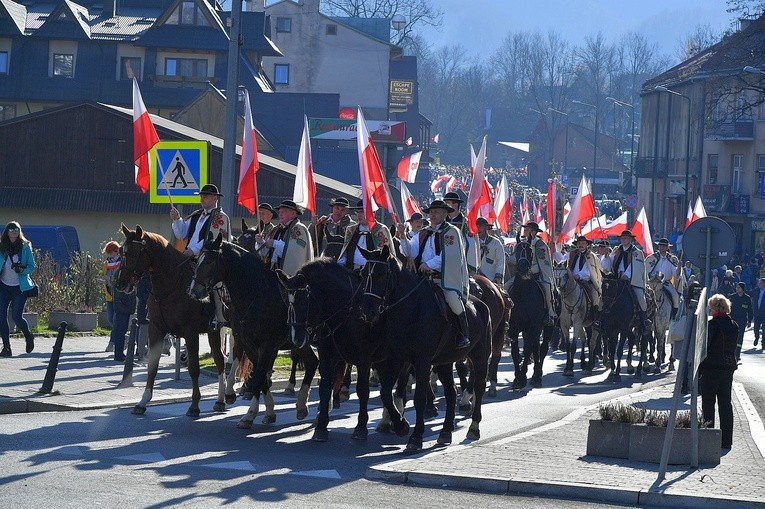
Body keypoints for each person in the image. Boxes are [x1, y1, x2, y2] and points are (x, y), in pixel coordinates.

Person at [407, 200, 470, 348]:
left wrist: (428, 265)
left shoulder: (451, 232)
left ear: (444, 213)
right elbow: (411, 251)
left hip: (442, 279)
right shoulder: (423, 232)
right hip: (423, 279)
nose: (432, 215)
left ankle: (463, 333)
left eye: (436, 212)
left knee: (452, 299)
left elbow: (448, 255)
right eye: (431, 212)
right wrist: (400, 239)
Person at [170, 184, 231, 328]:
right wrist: (176, 219)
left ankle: (219, 317)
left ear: (215, 198)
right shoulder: (196, 215)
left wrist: (192, 250)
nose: (202, 199)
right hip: (191, 258)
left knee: (216, 285)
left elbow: (212, 241)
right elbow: (181, 233)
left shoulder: (220, 217)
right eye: (201, 196)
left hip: (211, 260)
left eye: (206, 196)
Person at [700, 294, 739, 450]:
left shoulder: (712, 325)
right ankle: (726, 441)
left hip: (711, 368)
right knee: (725, 404)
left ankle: (709, 440)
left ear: (714, 308)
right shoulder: (734, 325)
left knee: (708, 405)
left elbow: (705, 349)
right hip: (728, 368)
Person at [0, 221, 36, 357]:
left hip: (19, 287)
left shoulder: (25, 246)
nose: (14, 231)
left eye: (17, 229)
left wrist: (21, 270)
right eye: (11, 229)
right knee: (1, 316)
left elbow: (32, 266)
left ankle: (28, 335)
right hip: (3, 286)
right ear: (7, 232)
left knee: (16, 316)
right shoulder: (2, 247)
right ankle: (6, 348)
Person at [256, 199, 314, 276]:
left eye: (284, 211)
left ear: (293, 213)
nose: (280, 214)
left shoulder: (298, 228)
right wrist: (261, 243)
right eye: (279, 212)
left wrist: (275, 243)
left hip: (289, 277)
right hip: (273, 274)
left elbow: (296, 251)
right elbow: (265, 253)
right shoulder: (276, 229)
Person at [610, 229, 651, 328]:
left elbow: (636, 266)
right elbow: (611, 262)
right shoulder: (617, 250)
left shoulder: (637, 252)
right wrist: (607, 257)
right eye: (622, 238)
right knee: (605, 297)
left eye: (625, 238)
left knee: (641, 298)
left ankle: (644, 319)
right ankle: (601, 319)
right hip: (617, 279)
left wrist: (627, 275)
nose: (623, 240)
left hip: (631, 280)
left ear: (630, 240)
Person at [338, 200, 393, 270]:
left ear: (373, 213)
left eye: (362, 212)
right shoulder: (351, 229)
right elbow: (345, 252)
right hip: (351, 271)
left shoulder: (381, 229)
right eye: (357, 212)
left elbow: (385, 256)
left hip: (372, 273)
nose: (358, 215)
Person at [521, 221, 556, 325]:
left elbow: (543, 262)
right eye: (526, 228)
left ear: (533, 231)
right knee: (507, 285)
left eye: (528, 229)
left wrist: (530, 270)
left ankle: (550, 313)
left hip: (537, 275)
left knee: (547, 288)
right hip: (522, 273)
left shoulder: (540, 244)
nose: (526, 230)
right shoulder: (522, 242)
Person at [568, 235, 603, 325]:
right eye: (579, 243)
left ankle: (595, 317)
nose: (581, 245)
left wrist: (579, 276)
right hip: (573, 281)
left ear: (587, 244)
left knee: (594, 295)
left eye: (583, 243)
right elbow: (569, 267)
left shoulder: (591, 256)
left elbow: (589, 272)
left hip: (586, 281)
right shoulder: (573, 255)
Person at [443, 191, 480, 273]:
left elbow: (470, 244)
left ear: (455, 205)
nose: (444, 206)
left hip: (461, 264)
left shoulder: (465, 223)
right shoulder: (442, 222)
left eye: (447, 203)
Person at [645, 238, 681, 319]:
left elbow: (676, 275)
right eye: (661, 245)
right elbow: (646, 271)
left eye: (664, 246)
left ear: (667, 247)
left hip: (666, 283)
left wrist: (679, 268)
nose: (662, 247)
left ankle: (673, 317)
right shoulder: (652, 258)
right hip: (652, 283)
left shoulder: (672, 259)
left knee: (675, 296)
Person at [99, 240, 121, 352]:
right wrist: (102, 278)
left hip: (118, 295)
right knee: (110, 319)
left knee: (116, 320)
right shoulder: (106, 263)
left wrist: (111, 279)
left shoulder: (122, 262)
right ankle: (122, 337)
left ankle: (112, 342)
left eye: (110, 252)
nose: (109, 255)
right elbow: (102, 274)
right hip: (109, 295)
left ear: (116, 251)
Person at [109, 280, 136, 363]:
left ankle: (119, 353)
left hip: (124, 307)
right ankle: (118, 354)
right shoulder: (121, 276)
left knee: (121, 331)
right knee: (120, 331)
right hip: (122, 308)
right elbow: (120, 292)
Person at [475, 217, 505, 285]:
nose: (478, 228)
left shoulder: (496, 243)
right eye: (477, 226)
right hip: (474, 277)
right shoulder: (471, 242)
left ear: (486, 227)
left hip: (491, 279)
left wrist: (498, 276)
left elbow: (500, 261)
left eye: (481, 226)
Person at [729, 282, 752, 361]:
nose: (737, 289)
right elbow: (729, 309)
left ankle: (737, 354)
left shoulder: (747, 298)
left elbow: (750, 310)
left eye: (739, 287)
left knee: (740, 338)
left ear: (742, 289)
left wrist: (749, 321)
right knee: (732, 337)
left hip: (742, 321)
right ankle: (731, 353)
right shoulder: (733, 297)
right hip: (733, 320)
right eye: (736, 287)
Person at [752, 278, 765, 349]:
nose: (759, 284)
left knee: (764, 330)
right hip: (757, 313)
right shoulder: (756, 290)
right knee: (756, 328)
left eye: (760, 283)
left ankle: (763, 343)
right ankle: (756, 337)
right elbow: (749, 293)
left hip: (764, 314)